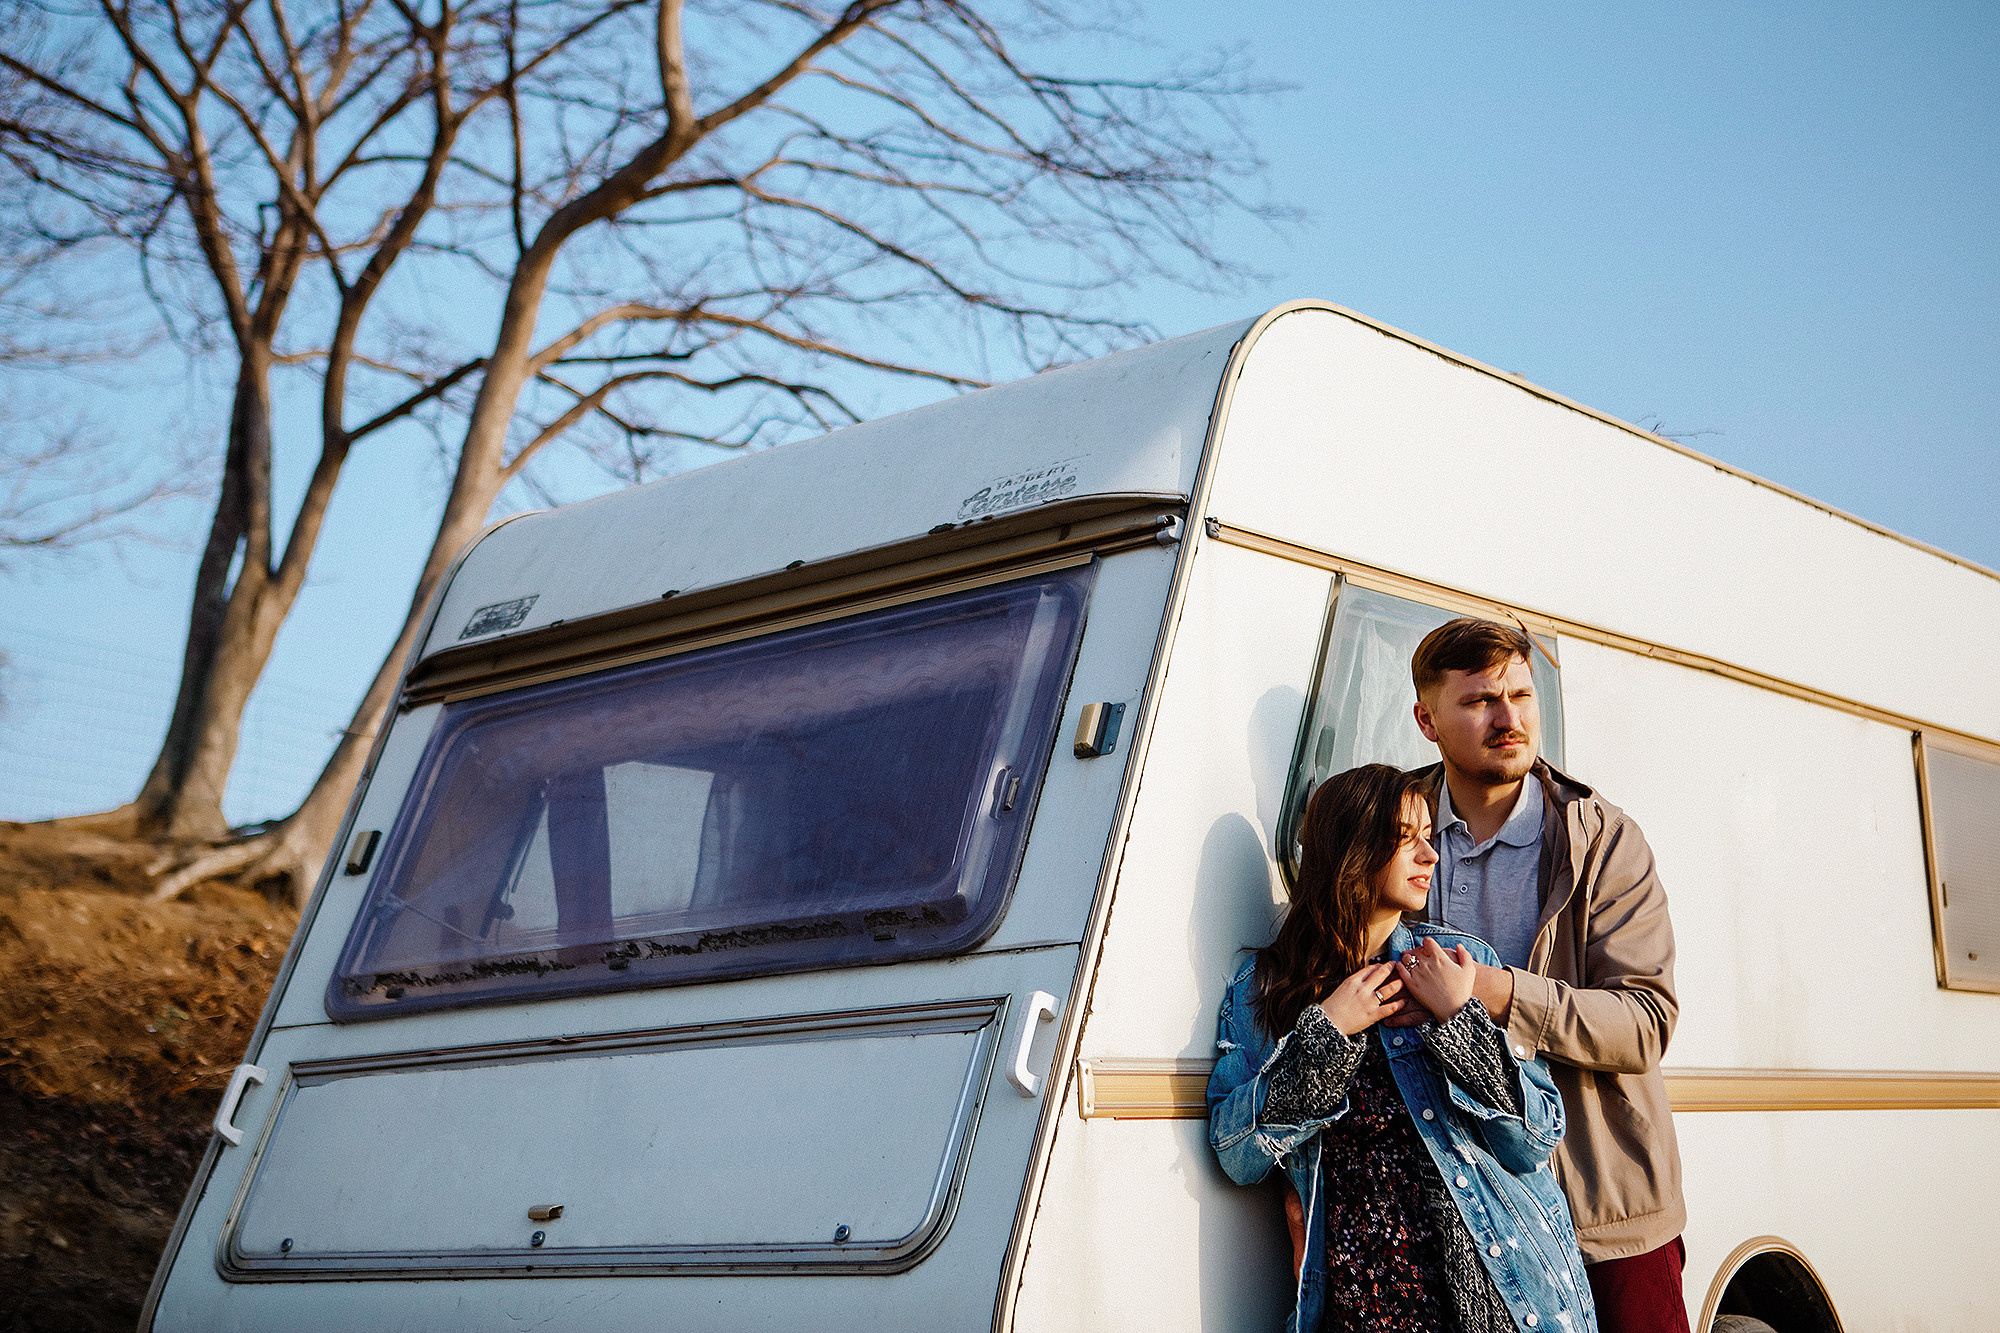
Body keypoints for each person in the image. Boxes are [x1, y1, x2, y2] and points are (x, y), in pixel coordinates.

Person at [1208, 763, 1598, 1333]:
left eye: (1428, 836)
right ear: (1353, 849)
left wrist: (1460, 1020)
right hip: (1364, 1308)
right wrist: (1328, 1031)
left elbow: (1535, 1142)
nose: (1431, 855)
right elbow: (1235, 1154)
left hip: (1495, 1297)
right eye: (1407, 838)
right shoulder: (1261, 991)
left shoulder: (1457, 964)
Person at [1403, 617, 1689, 1333]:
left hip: (1602, 1212)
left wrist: (1496, 994)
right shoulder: (1389, 824)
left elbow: (1646, 1021)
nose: (1510, 719)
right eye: (1479, 702)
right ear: (1426, 719)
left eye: (1522, 695)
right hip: (1458, 1210)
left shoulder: (1603, 838)